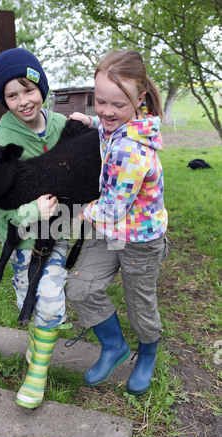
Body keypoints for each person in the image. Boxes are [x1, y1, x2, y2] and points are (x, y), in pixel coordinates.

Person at [66, 50, 168, 395]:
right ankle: (114, 345)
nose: (107, 111)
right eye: (100, 102)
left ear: (139, 101)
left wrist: (81, 213)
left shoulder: (132, 151)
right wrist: (92, 122)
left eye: (118, 105)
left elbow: (112, 209)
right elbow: (108, 129)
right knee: (80, 287)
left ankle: (148, 352)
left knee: (140, 305)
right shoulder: (115, 125)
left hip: (138, 237)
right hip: (111, 232)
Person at [0, 48, 69, 408]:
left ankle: (37, 372)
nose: (23, 101)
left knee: (48, 302)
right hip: (23, 243)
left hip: (61, 235)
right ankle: (38, 346)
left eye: (28, 89)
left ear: (42, 87)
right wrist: (28, 210)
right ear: (3, 100)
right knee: (32, 305)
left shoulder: (62, 126)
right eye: (11, 95)